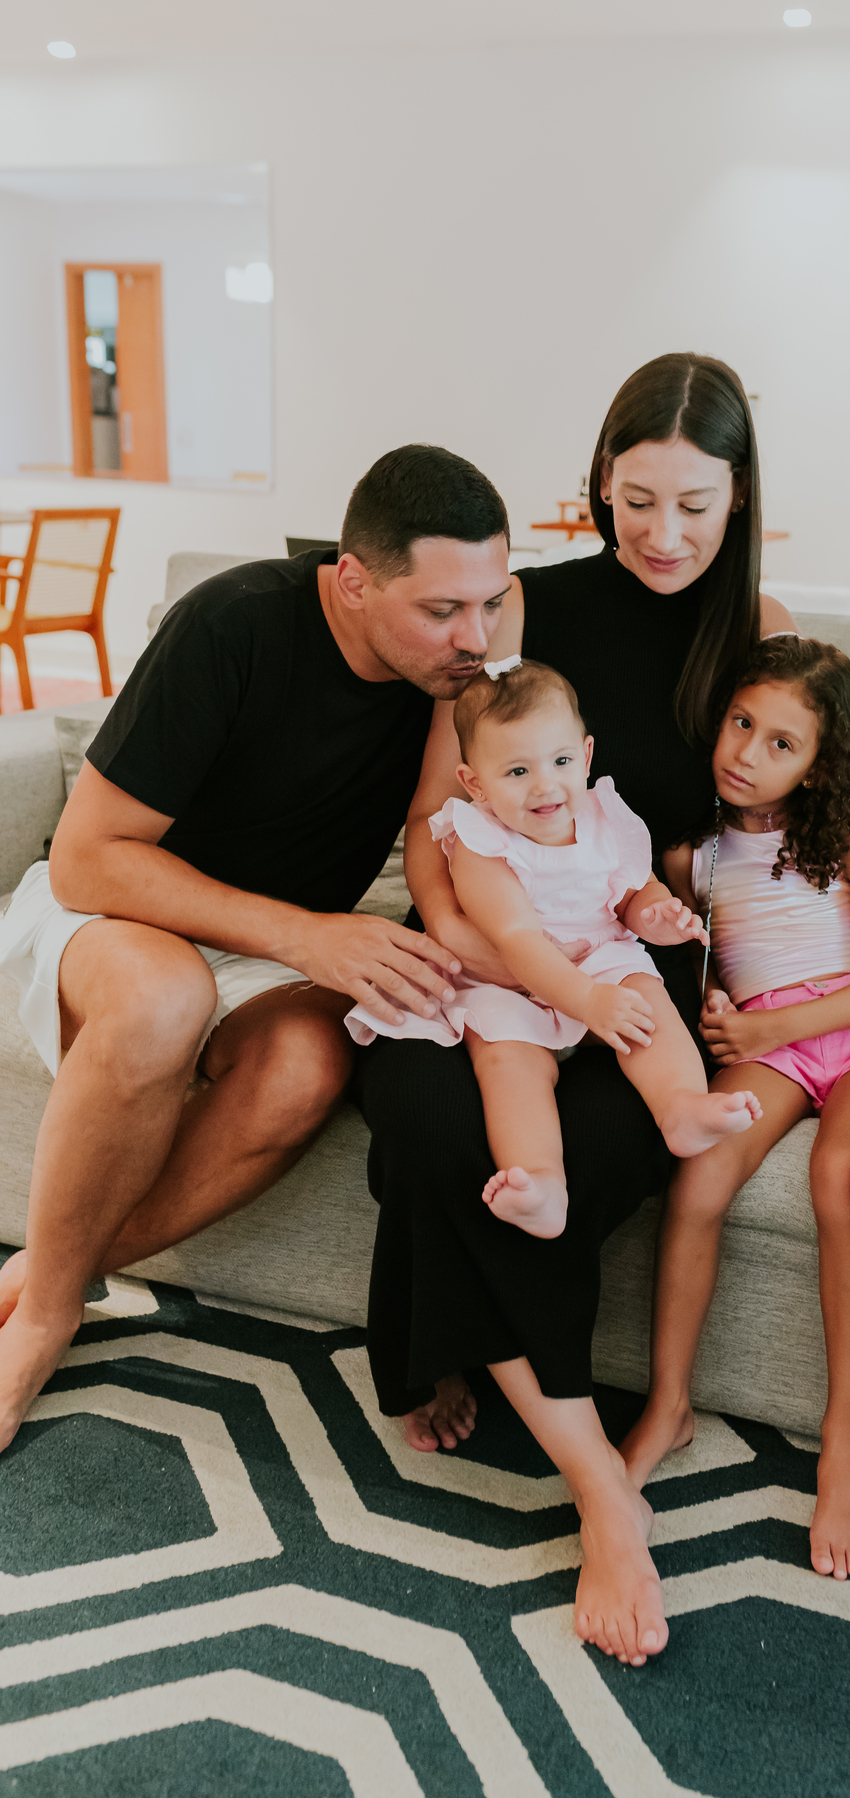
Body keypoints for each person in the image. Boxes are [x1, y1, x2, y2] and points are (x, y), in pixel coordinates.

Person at [359, 352, 850, 1668]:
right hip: (484, 948)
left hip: (639, 959)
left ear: (740, 499)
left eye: (694, 504)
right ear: (598, 488)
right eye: (635, 502)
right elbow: (434, 821)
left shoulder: (760, 630)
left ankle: (463, 1350)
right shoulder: (523, 610)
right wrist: (480, 955)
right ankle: (598, 1490)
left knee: (591, 1152)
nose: (663, 534)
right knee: (438, 1124)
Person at [0, 444, 513, 1453]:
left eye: (490, 601)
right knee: (165, 998)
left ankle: (44, 1271)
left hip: (267, 956)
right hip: (121, 911)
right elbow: (88, 860)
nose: (476, 637)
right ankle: (46, 1322)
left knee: (310, 1064)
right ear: (353, 581)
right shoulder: (230, 624)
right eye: (443, 610)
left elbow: (436, 813)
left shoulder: (461, 663)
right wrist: (306, 935)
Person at [619, 636, 850, 1579]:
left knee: (840, 1176)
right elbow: (688, 954)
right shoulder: (696, 854)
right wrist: (718, 1002)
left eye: (782, 743)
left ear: (821, 763)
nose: (747, 753)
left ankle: (845, 1441)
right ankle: (669, 1403)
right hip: (768, 1050)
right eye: (741, 723)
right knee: (699, 1172)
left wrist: (768, 1029)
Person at [346, 657, 761, 1238]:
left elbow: (632, 890)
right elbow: (515, 938)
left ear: (586, 757)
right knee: (509, 1062)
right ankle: (540, 1182)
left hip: (597, 958)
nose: (545, 785)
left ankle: (682, 1107)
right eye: (517, 771)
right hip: (509, 981)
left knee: (646, 999)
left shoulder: (604, 815)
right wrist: (586, 1001)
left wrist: (657, 914)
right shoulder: (479, 839)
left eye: (561, 762)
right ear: (475, 782)